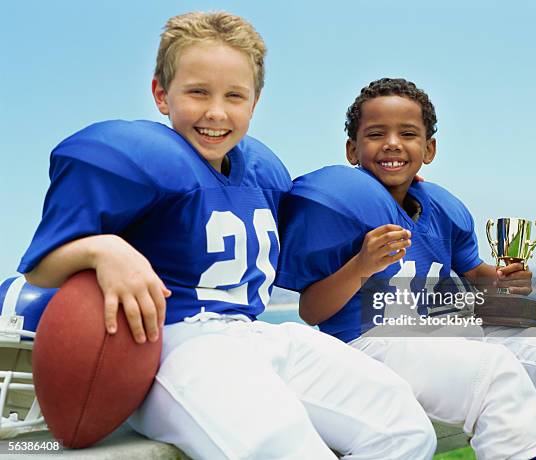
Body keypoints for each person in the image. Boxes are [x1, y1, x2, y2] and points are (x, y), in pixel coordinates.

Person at [17, 14, 442, 460]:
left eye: (234, 96)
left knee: (405, 428)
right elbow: (41, 268)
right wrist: (104, 248)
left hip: (255, 334)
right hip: (174, 347)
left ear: (255, 102)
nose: (216, 112)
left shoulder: (265, 171)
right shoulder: (135, 158)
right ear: (162, 94)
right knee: (284, 446)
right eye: (198, 91)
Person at [276, 78, 536, 459]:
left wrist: (503, 281)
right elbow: (312, 311)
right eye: (376, 133)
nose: (393, 143)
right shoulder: (342, 203)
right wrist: (361, 266)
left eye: (408, 133)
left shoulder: (439, 206)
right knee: (496, 378)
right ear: (352, 149)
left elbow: (473, 273)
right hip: (365, 340)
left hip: (437, 329)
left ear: (428, 149)